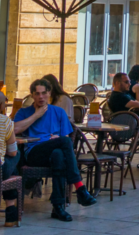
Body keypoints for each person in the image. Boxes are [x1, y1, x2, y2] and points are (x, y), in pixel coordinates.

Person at [13, 79, 97, 221]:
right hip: (33, 153)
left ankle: (58, 207)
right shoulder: (24, 112)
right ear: (32, 95)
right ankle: (79, 187)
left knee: (58, 155)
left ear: (49, 93)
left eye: (44, 93)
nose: (41, 97)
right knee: (64, 143)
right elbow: (14, 130)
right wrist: (36, 115)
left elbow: (64, 137)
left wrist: (57, 138)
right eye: (37, 94)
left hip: (53, 152)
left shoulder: (59, 112)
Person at [0, 93, 20, 226]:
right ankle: (11, 213)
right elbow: (12, 152)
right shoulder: (5, 121)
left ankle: (11, 213)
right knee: (17, 156)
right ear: (2, 105)